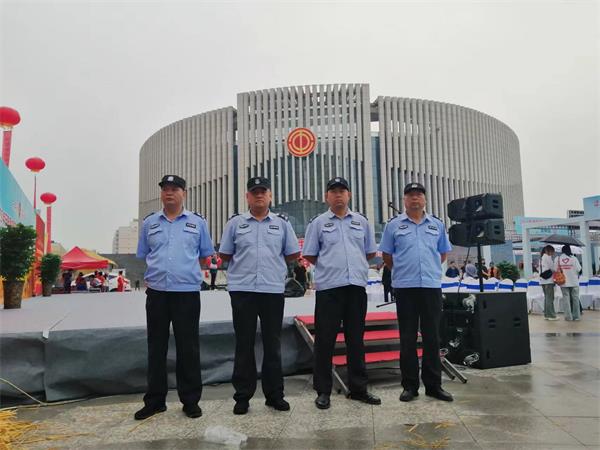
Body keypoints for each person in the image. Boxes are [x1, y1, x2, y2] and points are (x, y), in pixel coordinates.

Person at [134, 174, 215, 420]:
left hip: (186, 294)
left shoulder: (197, 223)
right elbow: (144, 253)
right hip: (157, 293)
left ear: (184, 193)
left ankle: (190, 401)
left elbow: (205, 256)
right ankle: (155, 401)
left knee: (188, 347)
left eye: (174, 189)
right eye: (165, 189)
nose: (169, 193)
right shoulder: (150, 223)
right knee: (156, 346)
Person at [219, 177, 300, 415]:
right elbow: (225, 254)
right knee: (243, 344)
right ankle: (242, 397)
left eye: (263, 191)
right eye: (254, 192)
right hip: (242, 290)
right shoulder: (235, 224)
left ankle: (274, 395)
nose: (259, 195)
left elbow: (292, 254)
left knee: (272, 344)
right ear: (247, 197)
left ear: (270, 196)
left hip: (272, 290)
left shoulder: (281, 224)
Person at [302, 177, 381, 410]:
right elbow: (310, 254)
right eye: (333, 191)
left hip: (355, 287)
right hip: (329, 289)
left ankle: (359, 389)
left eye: (342, 191)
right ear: (326, 197)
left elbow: (369, 252)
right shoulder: (318, 223)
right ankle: (323, 391)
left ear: (349, 195)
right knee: (325, 340)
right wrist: (331, 267)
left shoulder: (361, 222)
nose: (338, 195)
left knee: (355, 339)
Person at [379, 182, 453, 403]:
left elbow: (442, 253)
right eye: (410, 195)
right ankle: (410, 386)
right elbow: (387, 256)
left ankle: (434, 386)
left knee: (432, 337)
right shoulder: (393, 225)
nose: (415, 198)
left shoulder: (437, 225)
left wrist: (428, 270)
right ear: (404, 200)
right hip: (405, 288)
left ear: (425, 199)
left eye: (419, 194)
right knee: (407, 338)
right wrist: (404, 271)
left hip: (430, 286)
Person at [558, 245, 582, 321]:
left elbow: (555, 270)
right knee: (575, 299)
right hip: (574, 282)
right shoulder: (574, 258)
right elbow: (579, 270)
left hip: (563, 282)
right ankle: (576, 316)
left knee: (566, 299)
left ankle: (568, 317)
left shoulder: (558, 259)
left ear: (562, 251)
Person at [539, 245, 558, 320]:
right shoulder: (548, 257)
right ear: (549, 251)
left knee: (547, 298)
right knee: (550, 298)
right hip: (549, 281)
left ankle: (547, 315)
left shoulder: (541, 258)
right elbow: (553, 268)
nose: (553, 253)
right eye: (553, 251)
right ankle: (551, 315)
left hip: (543, 281)